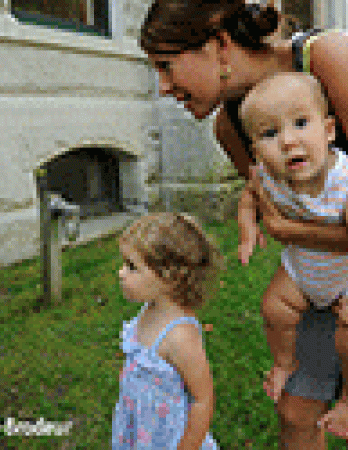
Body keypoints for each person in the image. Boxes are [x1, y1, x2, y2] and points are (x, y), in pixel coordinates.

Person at [139, 1, 348, 447]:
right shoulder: (231, 128)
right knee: (296, 414)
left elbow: (286, 226)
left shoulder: (328, 59)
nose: (163, 87)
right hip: (326, 278)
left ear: (218, 46)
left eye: (166, 65)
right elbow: (276, 207)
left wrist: (290, 233)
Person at [238, 68, 348, 433]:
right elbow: (248, 198)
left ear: (329, 131)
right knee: (273, 307)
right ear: (257, 150)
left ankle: (347, 400)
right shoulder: (267, 176)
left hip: (344, 276)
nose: (288, 141)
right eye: (271, 133)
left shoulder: (344, 181)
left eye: (301, 123)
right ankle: (284, 363)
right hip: (302, 273)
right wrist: (247, 230)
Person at [112, 213, 224, 449]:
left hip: (168, 439)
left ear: (170, 276)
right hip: (140, 428)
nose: (121, 273)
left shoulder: (180, 336)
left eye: (132, 267)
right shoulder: (148, 309)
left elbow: (203, 399)